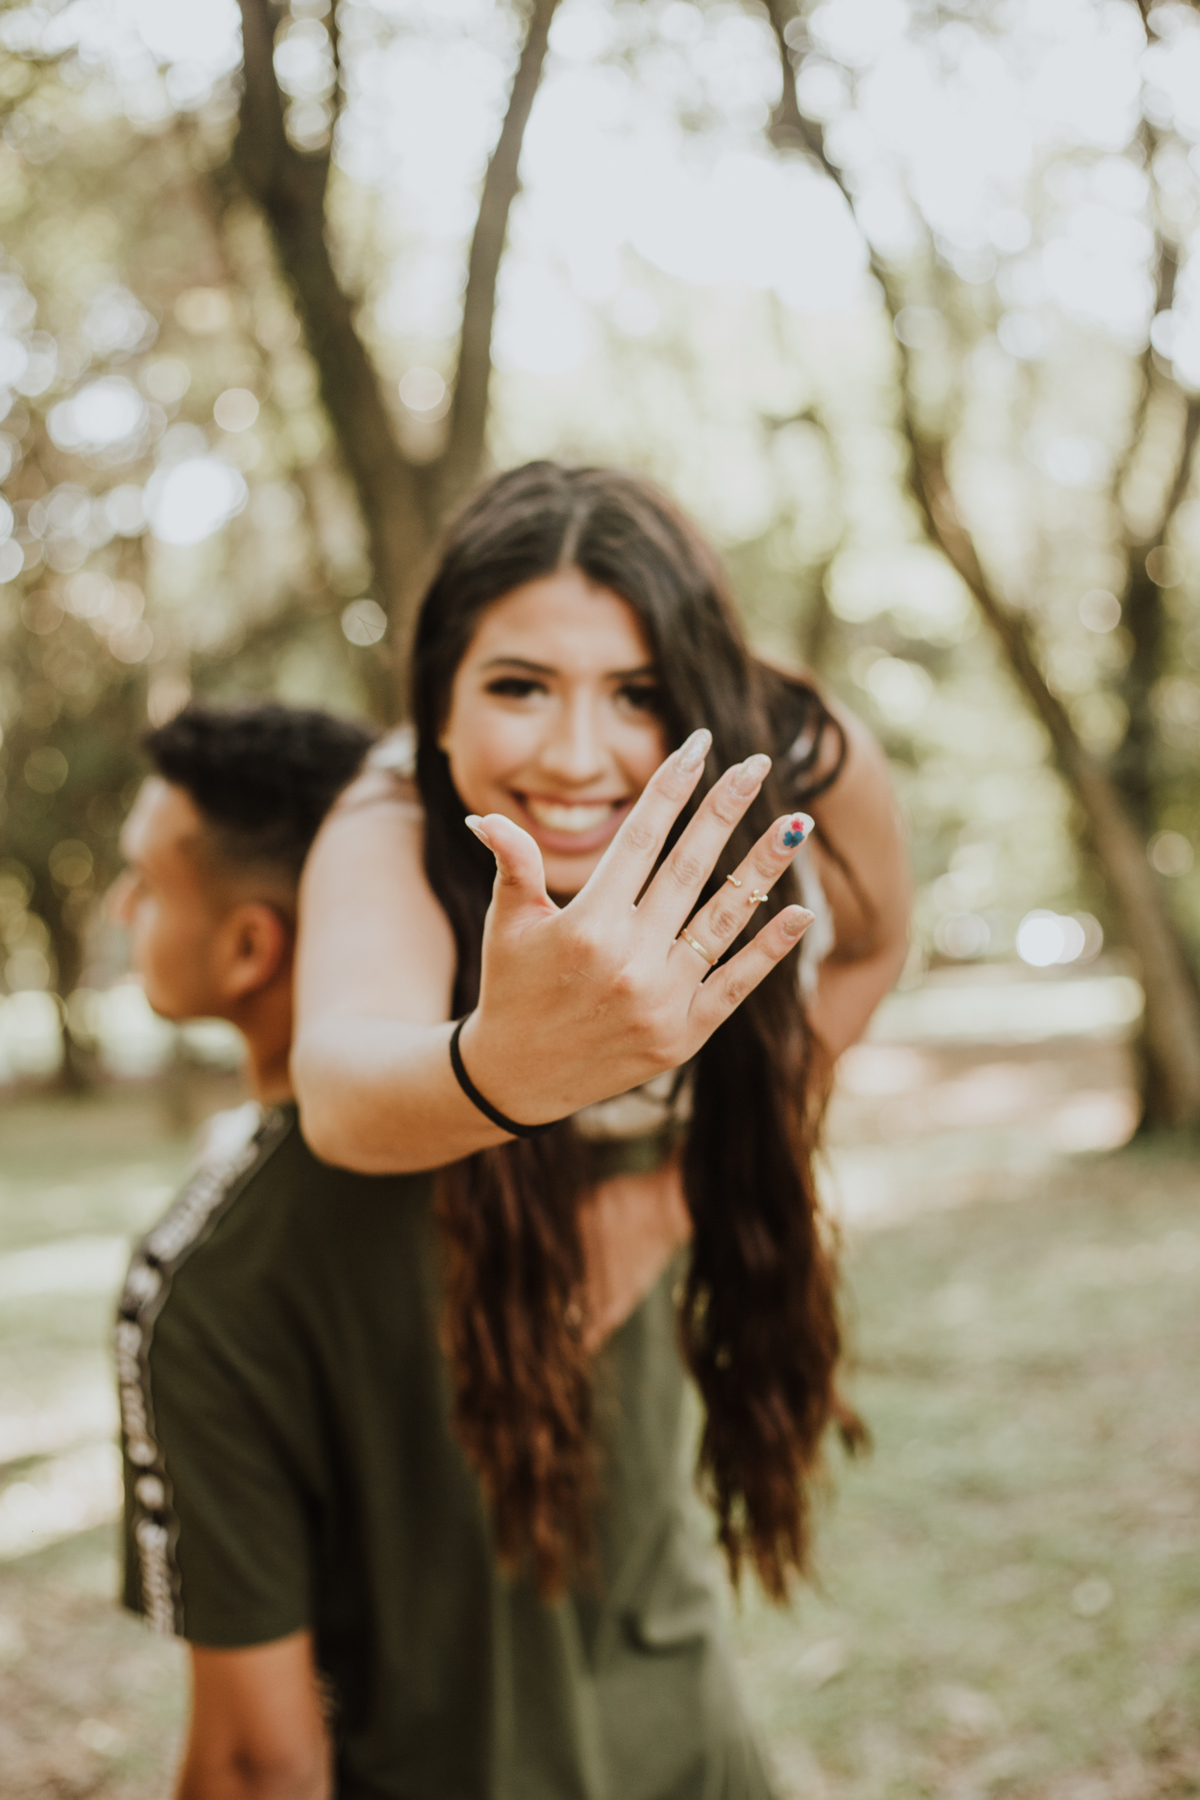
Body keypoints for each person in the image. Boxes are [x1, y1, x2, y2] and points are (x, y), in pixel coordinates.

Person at [289, 462, 911, 1795]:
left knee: (653, 1576)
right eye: (518, 684)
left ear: (702, 687)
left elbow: (868, 954)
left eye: (636, 693)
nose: (576, 757)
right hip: (447, 1223)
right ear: (439, 696)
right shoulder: (391, 813)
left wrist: (667, 1197)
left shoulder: (807, 758)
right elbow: (341, 1090)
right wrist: (506, 1067)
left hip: (679, 1211)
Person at [111, 692, 819, 1800]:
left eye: (144, 883)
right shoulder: (623, 1144)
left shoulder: (205, 1280)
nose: (117, 908)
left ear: (252, 946)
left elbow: (259, 1765)